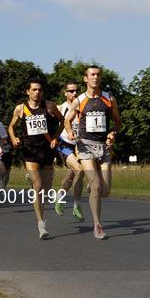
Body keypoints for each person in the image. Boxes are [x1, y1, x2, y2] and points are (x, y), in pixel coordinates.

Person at [64, 66, 121, 240]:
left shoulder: (109, 98)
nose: (95, 77)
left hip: (103, 147)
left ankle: (93, 188)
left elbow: (118, 122)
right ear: (85, 79)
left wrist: (113, 133)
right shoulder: (79, 100)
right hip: (85, 146)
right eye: (92, 75)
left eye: (98, 75)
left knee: (105, 191)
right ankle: (98, 224)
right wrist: (70, 132)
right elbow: (67, 120)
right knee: (96, 185)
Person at [8, 78, 64, 239]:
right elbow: (11, 126)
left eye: (39, 90)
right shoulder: (20, 108)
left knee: (45, 189)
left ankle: (32, 178)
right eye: (34, 89)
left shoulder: (50, 106)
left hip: (46, 150)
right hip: (29, 150)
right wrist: (13, 138)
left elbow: (63, 121)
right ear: (28, 91)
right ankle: (41, 225)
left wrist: (55, 137)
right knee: (38, 186)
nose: (37, 92)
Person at [55, 79, 85, 222]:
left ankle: (59, 197)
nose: (74, 93)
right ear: (65, 93)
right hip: (64, 144)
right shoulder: (61, 108)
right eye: (71, 91)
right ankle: (77, 206)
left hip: (80, 145)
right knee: (79, 169)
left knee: (70, 178)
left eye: (76, 90)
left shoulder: (83, 105)